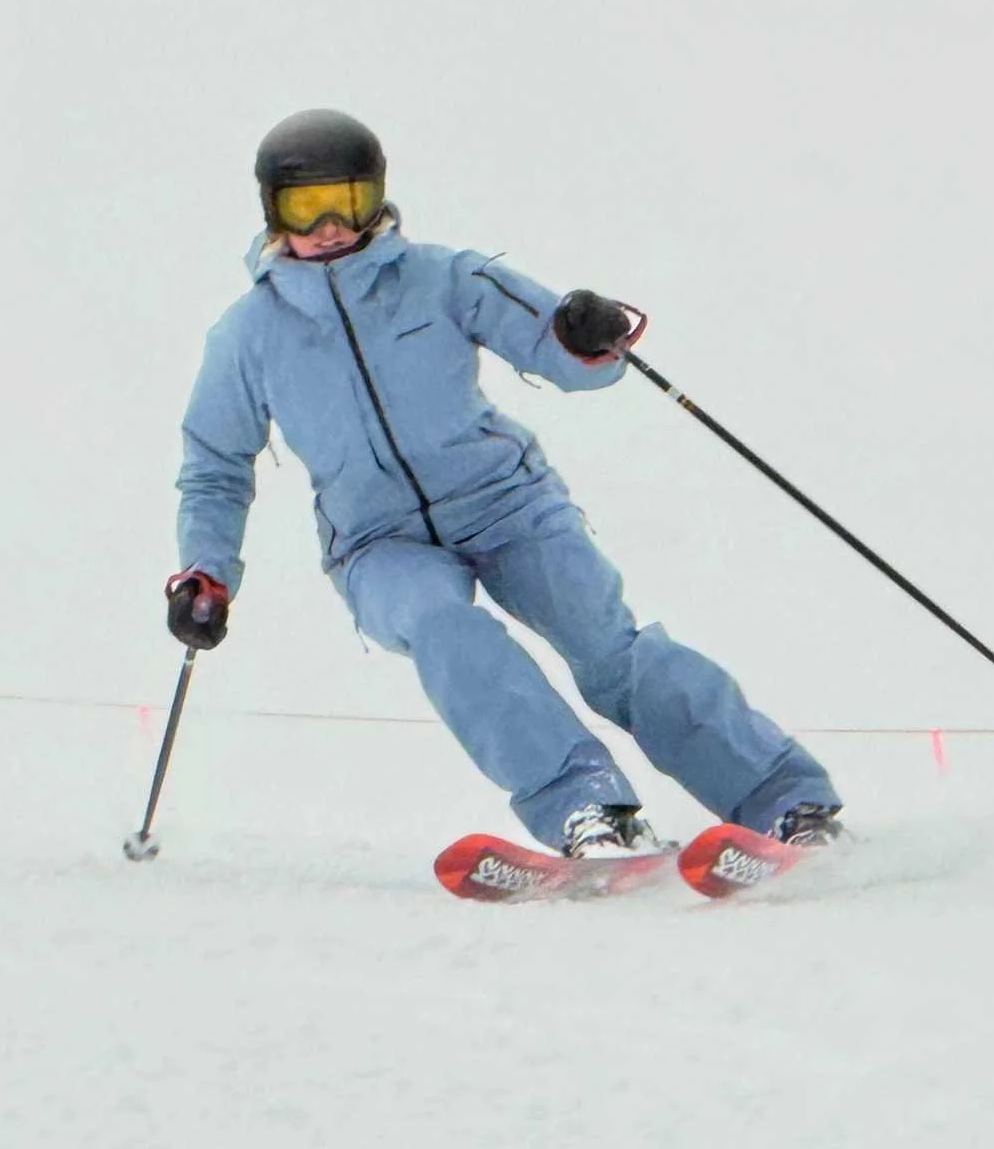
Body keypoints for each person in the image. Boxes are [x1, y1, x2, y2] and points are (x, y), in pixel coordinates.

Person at [165, 109, 842, 858]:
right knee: (446, 631)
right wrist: (206, 571)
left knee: (608, 652)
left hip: (508, 506)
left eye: (348, 202)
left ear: (377, 198)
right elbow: (215, 465)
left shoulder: (445, 279)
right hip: (377, 543)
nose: (329, 227)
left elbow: (559, 346)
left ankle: (785, 799)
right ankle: (591, 809)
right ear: (273, 212)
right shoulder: (248, 336)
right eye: (306, 207)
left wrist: (586, 334)